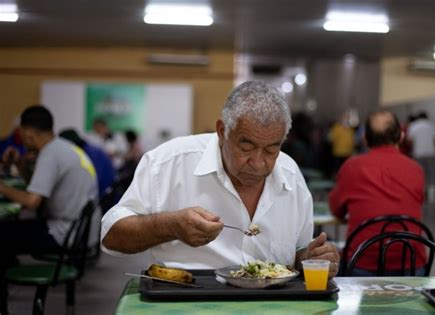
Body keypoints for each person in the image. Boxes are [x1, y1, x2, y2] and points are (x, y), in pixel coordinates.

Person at [101, 81, 340, 274]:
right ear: (222, 131)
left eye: (271, 149)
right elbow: (111, 236)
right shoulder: (168, 163)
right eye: (246, 146)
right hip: (185, 303)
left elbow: (298, 250)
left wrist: (309, 258)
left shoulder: (290, 175)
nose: (258, 163)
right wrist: (170, 226)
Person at [0, 105, 99, 314]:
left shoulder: (49, 155)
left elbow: (31, 201)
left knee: (4, 234)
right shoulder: (64, 147)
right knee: (9, 233)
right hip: (83, 232)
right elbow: (37, 187)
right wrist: (21, 162)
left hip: (63, 232)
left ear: (27, 133)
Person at [329, 110, 426, 276]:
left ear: (365, 138)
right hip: (411, 265)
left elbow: (336, 209)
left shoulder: (352, 167)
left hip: (362, 263)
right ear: (401, 136)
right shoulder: (416, 169)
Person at [59, 128, 116, 200]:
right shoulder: (90, 150)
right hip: (105, 194)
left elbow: (94, 181)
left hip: (105, 197)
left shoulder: (89, 154)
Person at [408, 111, 435, 202]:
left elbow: (409, 141)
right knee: (431, 174)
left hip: (418, 153)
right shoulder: (432, 125)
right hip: (431, 153)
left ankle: (420, 196)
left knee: (419, 174)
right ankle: (432, 197)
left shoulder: (413, 125)